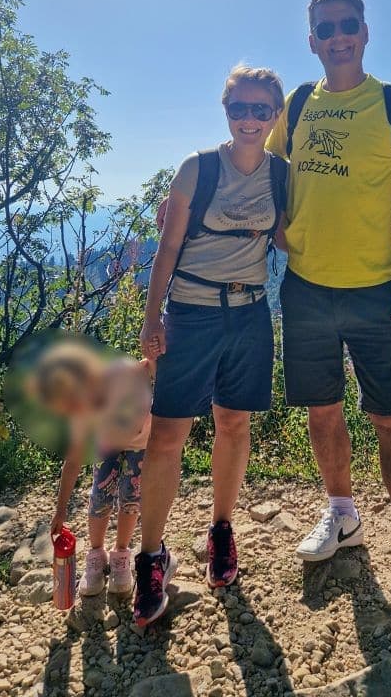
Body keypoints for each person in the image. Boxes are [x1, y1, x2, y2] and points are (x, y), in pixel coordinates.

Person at [266, 0, 391, 637]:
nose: (339, 35)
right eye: (327, 28)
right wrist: (258, 217)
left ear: (365, 33)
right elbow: (257, 172)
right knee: (323, 411)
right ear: (313, 41)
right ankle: (343, 515)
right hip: (304, 287)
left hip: (377, 289)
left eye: (349, 24)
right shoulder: (294, 107)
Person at [134, 65, 287, 628]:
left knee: (234, 424)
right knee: (168, 435)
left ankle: (221, 529)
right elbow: (166, 248)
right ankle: (152, 555)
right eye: (238, 109)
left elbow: (292, 235)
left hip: (249, 314)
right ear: (226, 112)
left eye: (260, 109)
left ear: (275, 115)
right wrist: (153, 320)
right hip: (192, 315)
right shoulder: (196, 169)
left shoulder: (282, 176)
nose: (249, 119)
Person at [35, 338, 153, 597]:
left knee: (132, 497)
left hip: (140, 446)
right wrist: (60, 510)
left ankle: (121, 553)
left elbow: (155, 363)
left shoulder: (138, 379)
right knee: (101, 493)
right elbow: (72, 463)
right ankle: (96, 554)